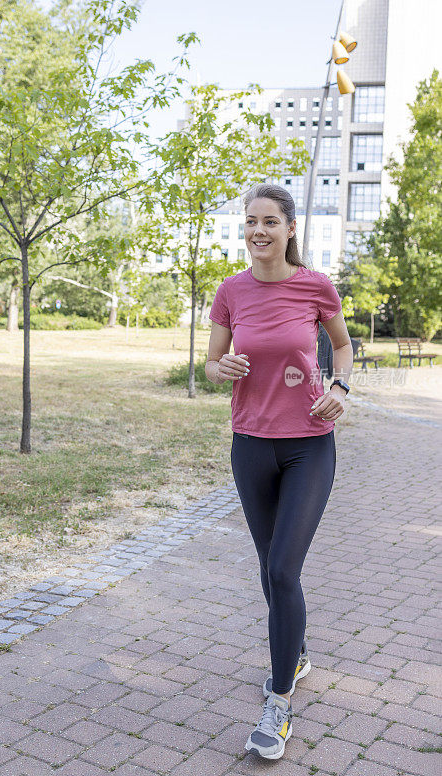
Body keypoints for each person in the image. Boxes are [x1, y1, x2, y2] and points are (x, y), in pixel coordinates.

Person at [205, 182, 353, 761]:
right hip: (251, 445)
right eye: (250, 221)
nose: (258, 231)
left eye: (270, 221)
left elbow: (341, 347)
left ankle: (279, 699)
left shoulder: (315, 285)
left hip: (309, 444)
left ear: (290, 228)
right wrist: (224, 367)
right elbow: (213, 363)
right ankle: (295, 646)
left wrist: (341, 385)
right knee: (270, 569)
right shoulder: (230, 292)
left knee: (284, 567)